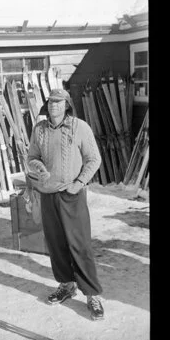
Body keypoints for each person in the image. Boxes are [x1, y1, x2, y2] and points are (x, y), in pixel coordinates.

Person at [27, 88, 104, 321]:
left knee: (79, 245)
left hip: (71, 194)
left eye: (59, 102)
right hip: (47, 195)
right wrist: (36, 167)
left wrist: (79, 182)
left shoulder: (80, 127)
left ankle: (92, 294)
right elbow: (32, 157)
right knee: (56, 244)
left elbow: (94, 159)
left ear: (67, 105)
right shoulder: (39, 129)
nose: (54, 105)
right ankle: (66, 285)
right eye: (51, 101)